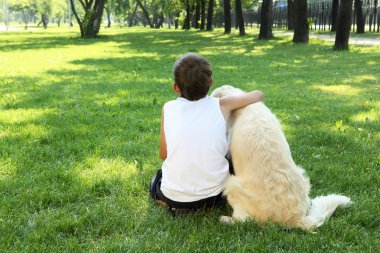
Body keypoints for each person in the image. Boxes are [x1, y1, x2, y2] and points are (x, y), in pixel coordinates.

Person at [150, 52, 264, 216]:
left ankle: (168, 202)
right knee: (229, 161)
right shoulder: (222, 105)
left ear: (176, 87)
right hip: (216, 197)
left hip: (173, 197)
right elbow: (258, 95)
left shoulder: (168, 108)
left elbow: (163, 154)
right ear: (210, 83)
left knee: (157, 179)